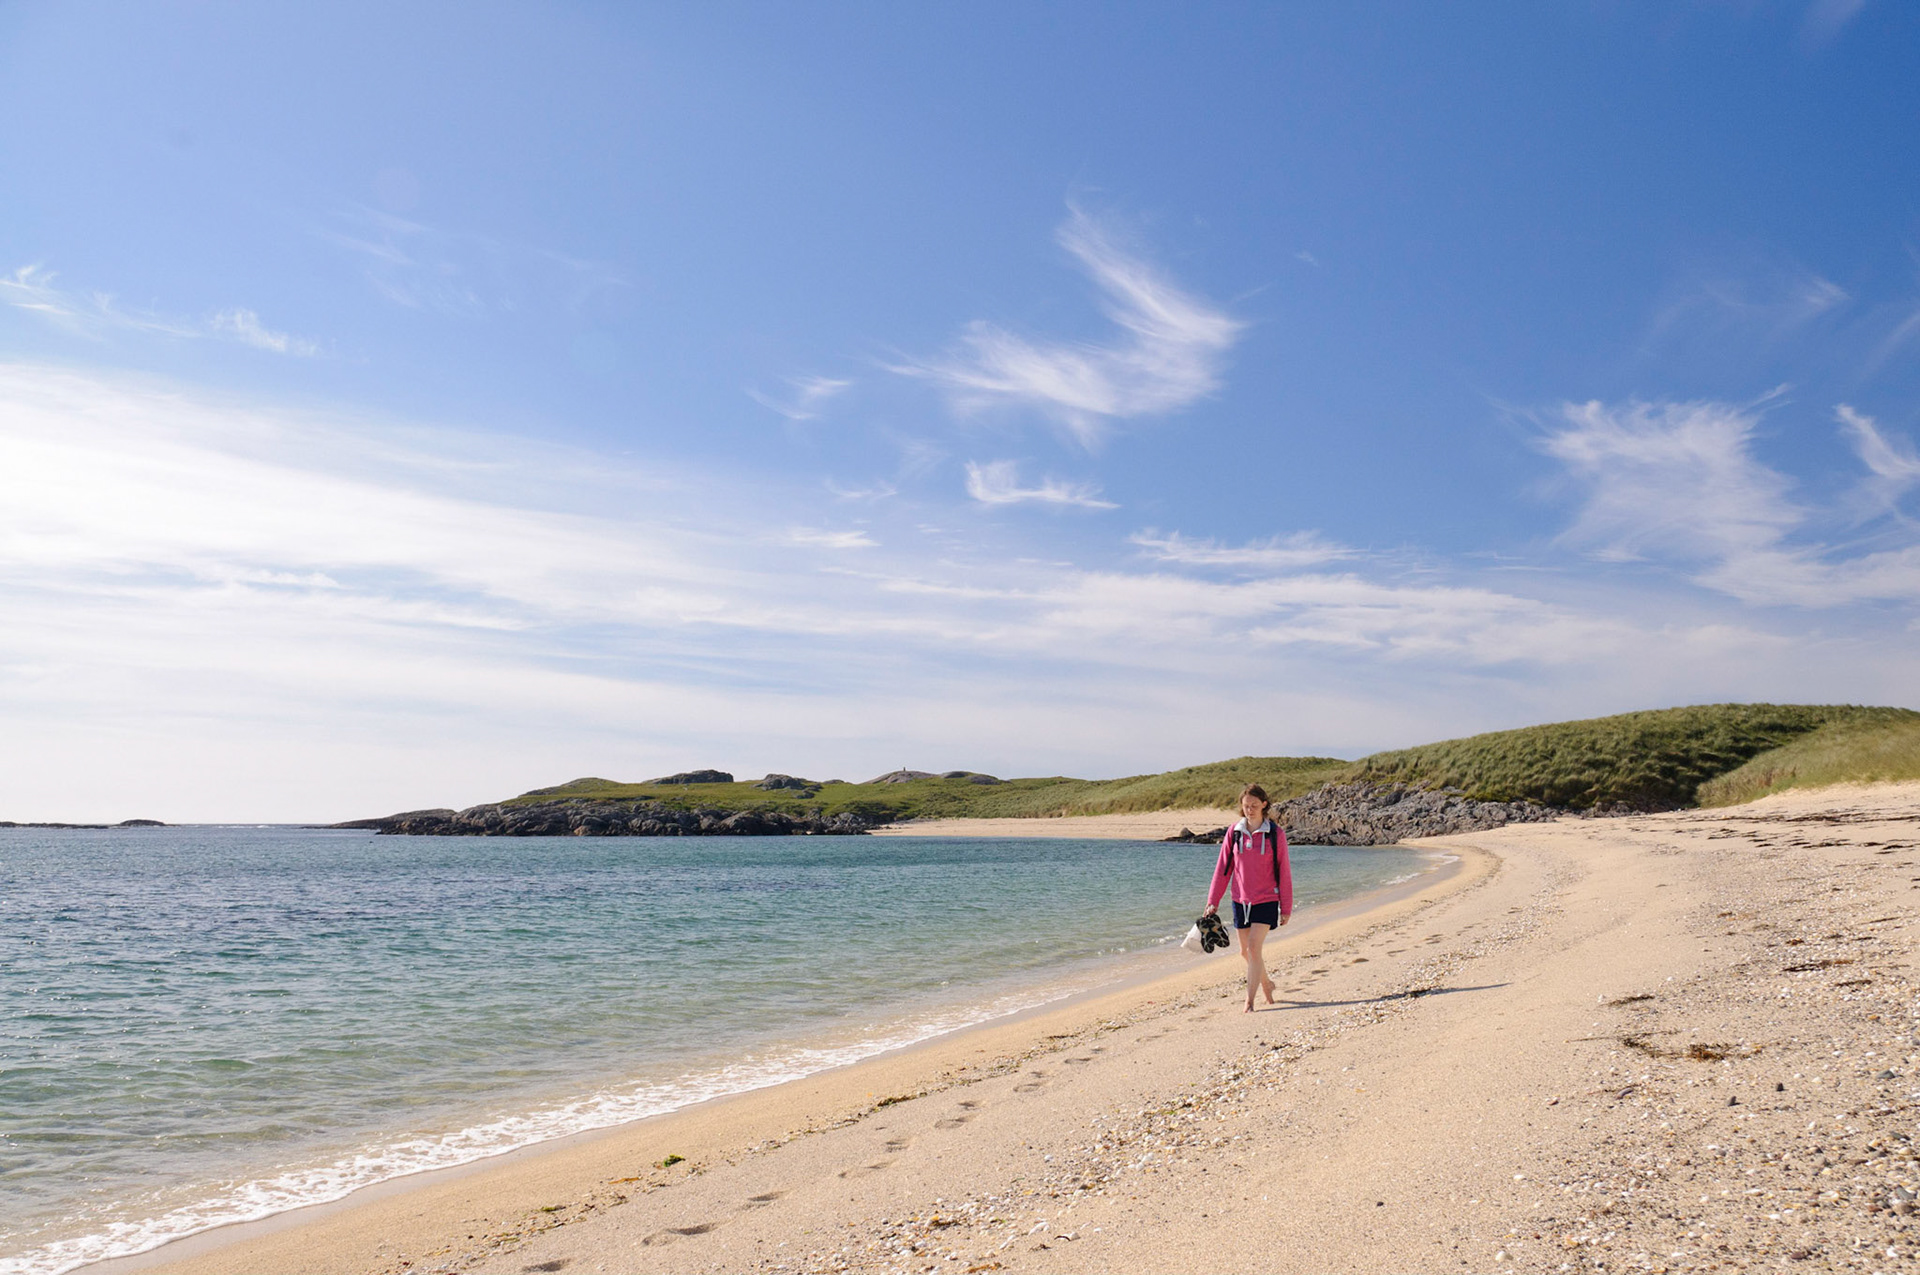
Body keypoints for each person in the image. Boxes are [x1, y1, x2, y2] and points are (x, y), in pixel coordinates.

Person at [1203, 783, 1294, 1012]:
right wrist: (1213, 900)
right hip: (1240, 901)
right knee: (1245, 952)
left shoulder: (1276, 834)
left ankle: (1250, 1001)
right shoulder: (1234, 832)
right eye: (1245, 806)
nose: (1250, 810)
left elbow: (1284, 871)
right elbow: (1223, 869)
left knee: (1254, 948)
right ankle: (1267, 984)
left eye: (1254, 805)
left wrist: (1286, 906)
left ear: (1264, 805)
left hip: (1266, 899)